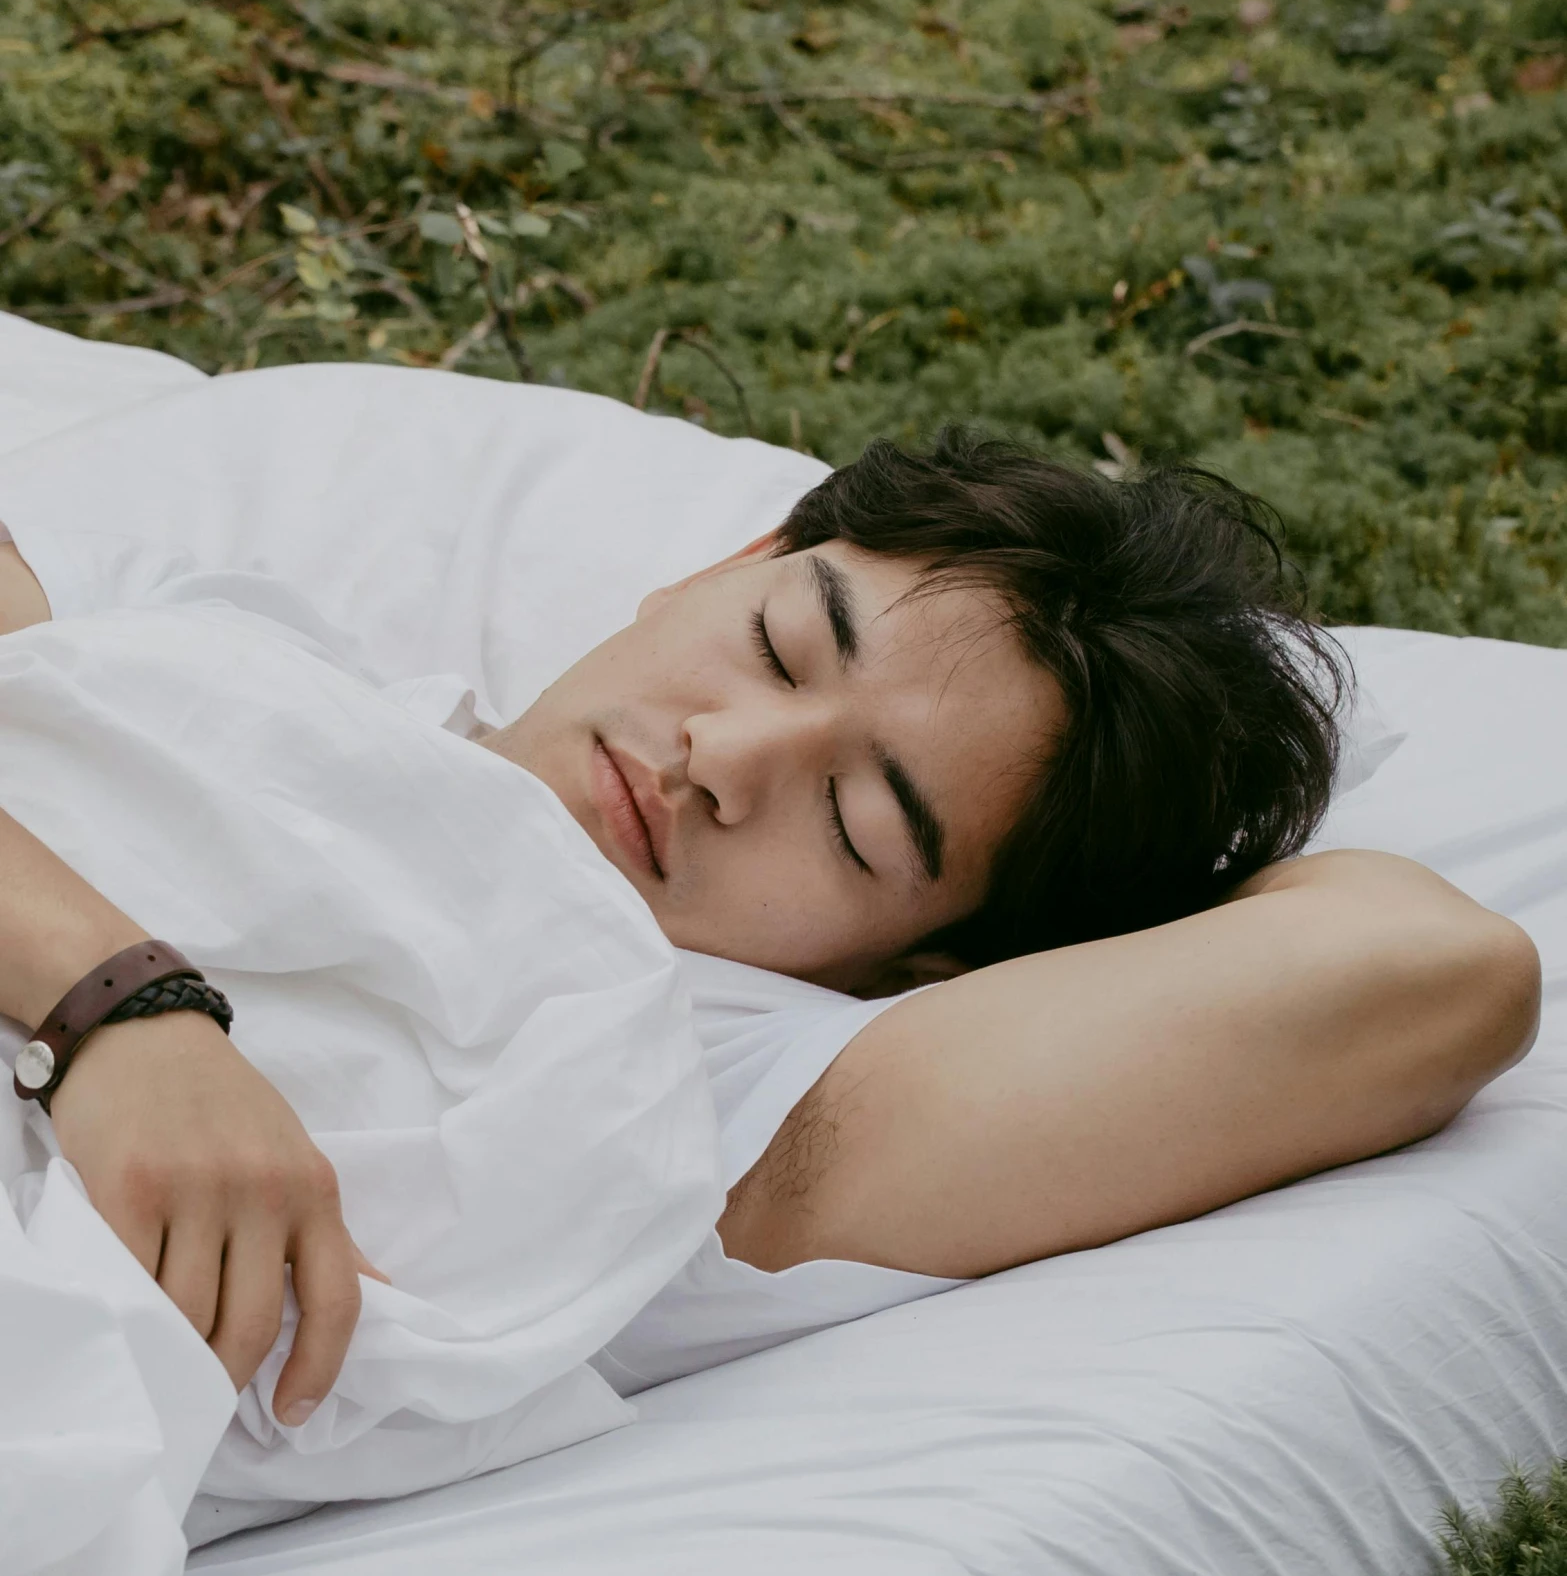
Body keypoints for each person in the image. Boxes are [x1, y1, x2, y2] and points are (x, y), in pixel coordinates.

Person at [0, 430, 1540, 1430]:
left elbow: (1430, 971)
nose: (724, 760)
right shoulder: (255, 654)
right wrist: (112, 1001)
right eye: (776, 644)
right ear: (722, 568)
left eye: (859, 825)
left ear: (924, 960)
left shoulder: (716, 1102)